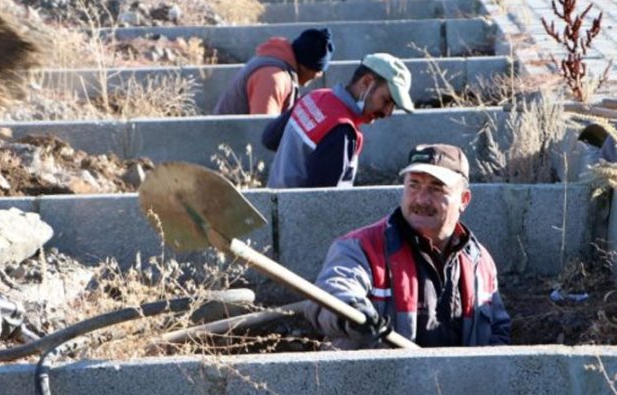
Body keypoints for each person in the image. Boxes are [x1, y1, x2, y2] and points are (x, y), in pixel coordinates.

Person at [305, 144, 511, 349]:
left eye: (436, 188)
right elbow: (331, 292)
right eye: (414, 185)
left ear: (464, 200)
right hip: (379, 380)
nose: (421, 199)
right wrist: (353, 314)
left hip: (458, 381)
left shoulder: (480, 262)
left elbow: (498, 330)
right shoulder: (361, 248)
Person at [263, 52, 414, 188]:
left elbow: (269, 138)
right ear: (367, 82)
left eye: (393, 106)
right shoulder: (341, 131)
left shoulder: (314, 97)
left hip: (276, 208)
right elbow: (324, 202)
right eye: (386, 101)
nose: (388, 112)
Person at [213, 28, 334, 115]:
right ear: (304, 67)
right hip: (227, 148)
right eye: (318, 70)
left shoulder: (280, 69)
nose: (320, 75)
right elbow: (261, 131)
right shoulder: (272, 78)